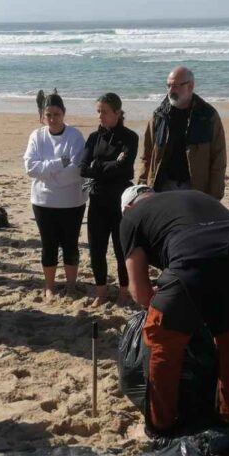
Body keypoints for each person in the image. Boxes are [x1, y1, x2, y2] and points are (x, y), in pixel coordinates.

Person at [120, 186, 229, 437]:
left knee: (162, 340)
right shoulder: (189, 195)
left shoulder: (131, 217)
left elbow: (140, 292)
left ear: (128, 207)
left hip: (195, 256)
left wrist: (174, 316)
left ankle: (161, 426)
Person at [23, 93, 86, 298]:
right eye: (48, 114)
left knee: (70, 244)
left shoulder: (75, 136)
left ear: (63, 113)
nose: (52, 118)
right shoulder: (37, 136)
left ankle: (70, 285)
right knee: (48, 244)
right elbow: (30, 168)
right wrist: (59, 163)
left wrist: (48, 175)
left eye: (56, 114)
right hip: (43, 201)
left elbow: (77, 170)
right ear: (42, 115)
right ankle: (49, 286)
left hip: (72, 201)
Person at [79, 92, 138, 306]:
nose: (100, 116)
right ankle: (101, 292)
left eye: (104, 112)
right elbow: (83, 169)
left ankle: (123, 291)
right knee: (97, 249)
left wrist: (98, 167)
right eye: (98, 112)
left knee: (121, 249)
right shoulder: (95, 138)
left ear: (117, 113)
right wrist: (108, 166)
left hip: (121, 201)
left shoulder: (130, 137)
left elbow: (123, 167)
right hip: (97, 200)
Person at [139, 66, 226, 199]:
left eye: (175, 86)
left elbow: (218, 159)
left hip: (195, 188)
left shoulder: (207, 116)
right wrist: (142, 186)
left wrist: (214, 196)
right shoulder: (159, 116)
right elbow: (147, 155)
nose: (170, 90)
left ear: (190, 86)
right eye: (168, 86)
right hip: (163, 186)